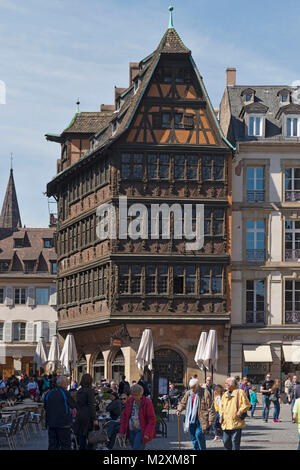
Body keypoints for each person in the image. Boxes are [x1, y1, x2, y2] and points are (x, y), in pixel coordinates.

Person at [177, 378, 215, 451]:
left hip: (201, 418)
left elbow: (210, 407)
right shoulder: (188, 393)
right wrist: (179, 409)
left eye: (193, 387)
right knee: (193, 436)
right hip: (190, 418)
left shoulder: (205, 392)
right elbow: (182, 403)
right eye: (190, 388)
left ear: (197, 385)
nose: (192, 389)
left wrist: (211, 419)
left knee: (199, 434)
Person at [44, 375, 77, 450]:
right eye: (66, 383)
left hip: (51, 423)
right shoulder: (65, 393)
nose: (67, 384)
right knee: (65, 445)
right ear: (62, 383)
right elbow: (73, 405)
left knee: (53, 445)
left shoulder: (49, 393)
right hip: (63, 424)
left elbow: (45, 407)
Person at [120, 384, 156, 450]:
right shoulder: (130, 401)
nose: (134, 397)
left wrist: (147, 433)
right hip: (131, 429)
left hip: (141, 430)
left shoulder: (147, 402)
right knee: (134, 447)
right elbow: (125, 416)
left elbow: (152, 419)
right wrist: (122, 431)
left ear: (141, 394)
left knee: (136, 448)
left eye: (136, 395)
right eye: (132, 395)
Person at [219, 377, 251, 451]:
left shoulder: (240, 392)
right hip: (226, 423)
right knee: (225, 441)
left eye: (227, 383)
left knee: (235, 442)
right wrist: (221, 415)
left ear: (232, 384)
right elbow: (221, 407)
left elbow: (247, 404)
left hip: (236, 422)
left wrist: (240, 411)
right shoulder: (225, 394)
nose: (225, 384)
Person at [73, 373, 98, 450]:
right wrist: (95, 419)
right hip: (88, 416)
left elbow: (76, 404)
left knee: (81, 438)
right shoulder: (90, 391)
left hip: (80, 415)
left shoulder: (79, 391)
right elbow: (91, 405)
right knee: (91, 437)